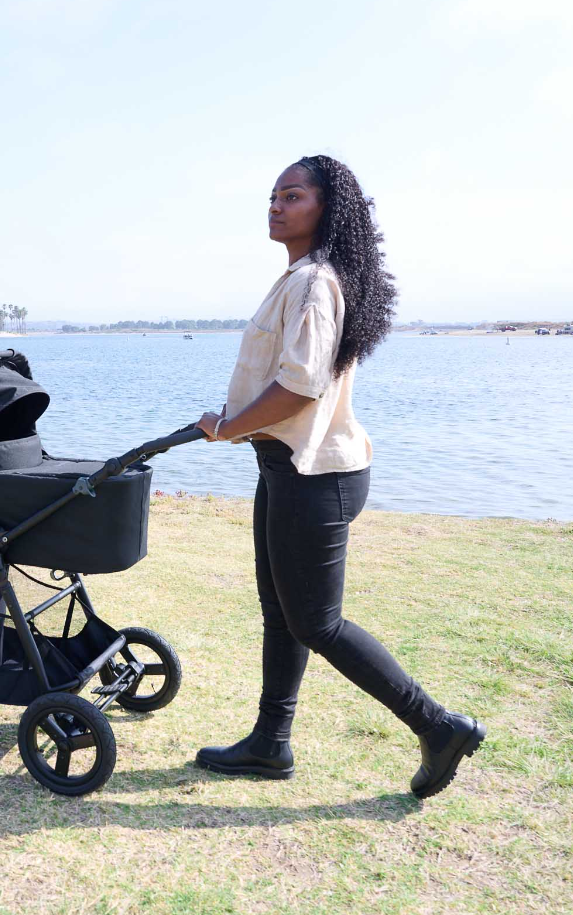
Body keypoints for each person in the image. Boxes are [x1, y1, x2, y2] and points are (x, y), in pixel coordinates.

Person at [194, 154, 485, 799]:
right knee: (281, 611)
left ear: (327, 207)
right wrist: (238, 424)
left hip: (313, 473)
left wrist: (228, 426)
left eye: (292, 196)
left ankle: (438, 726)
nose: (276, 206)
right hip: (288, 465)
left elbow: (299, 386)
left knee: (316, 623)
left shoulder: (314, 281)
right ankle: (270, 742)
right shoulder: (304, 277)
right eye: (273, 197)